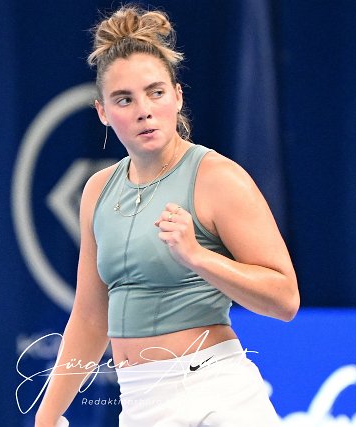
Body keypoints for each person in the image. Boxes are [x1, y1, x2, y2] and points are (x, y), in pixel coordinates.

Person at [34, 5, 299, 427]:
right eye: (124, 99)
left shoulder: (218, 178)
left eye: (155, 93)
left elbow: (285, 299)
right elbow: (89, 316)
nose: (144, 110)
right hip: (139, 403)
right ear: (103, 112)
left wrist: (198, 256)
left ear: (177, 96)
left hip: (216, 395)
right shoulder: (97, 191)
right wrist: (47, 417)